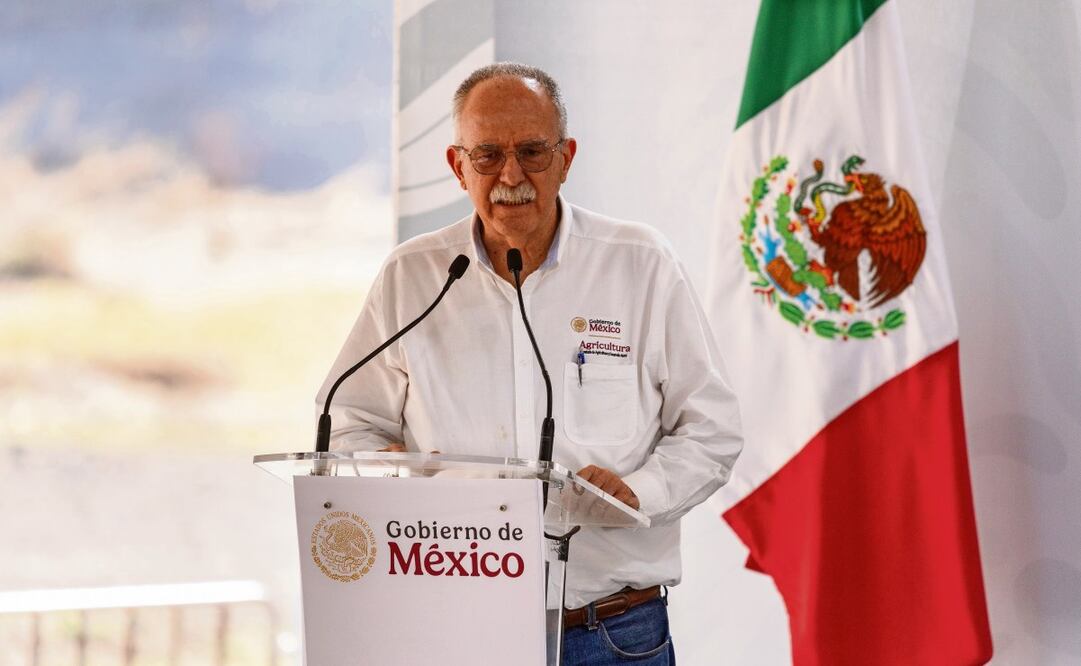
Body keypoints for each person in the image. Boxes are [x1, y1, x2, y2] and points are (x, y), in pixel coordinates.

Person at [318, 62, 743, 665]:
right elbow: (346, 424)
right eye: (487, 155)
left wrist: (638, 491)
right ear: (457, 165)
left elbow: (712, 427)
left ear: (566, 157)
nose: (510, 175)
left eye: (533, 152)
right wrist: (395, 477)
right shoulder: (413, 278)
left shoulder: (639, 264)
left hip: (612, 634)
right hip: (454, 627)